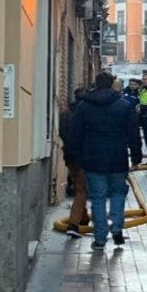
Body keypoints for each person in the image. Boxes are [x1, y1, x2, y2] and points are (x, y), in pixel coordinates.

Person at [69, 71, 141, 250]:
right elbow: (133, 134)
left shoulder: (84, 106)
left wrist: (77, 158)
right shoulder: (124, 106)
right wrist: (137, 157)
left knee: (98, 198)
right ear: (111, 85)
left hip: (93, 158)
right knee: (118, 193)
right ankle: (117, 229)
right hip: (118, 157)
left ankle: (100, 238)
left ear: (96, 84)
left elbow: (75, 134)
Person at [59, 88, 89, 237]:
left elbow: (61, 133)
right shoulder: (87, 114)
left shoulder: (65, 114)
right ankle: (74, 223)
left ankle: (83, 217)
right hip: (84, 157)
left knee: (79, 188)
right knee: (82, 190)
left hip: (69, 156)